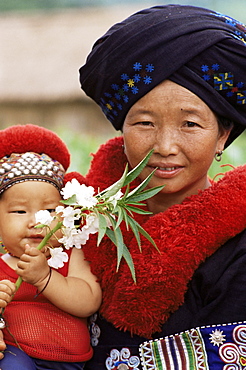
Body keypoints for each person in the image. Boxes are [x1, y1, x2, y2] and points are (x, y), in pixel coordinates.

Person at [78, 4, 246, 369]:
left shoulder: (239, 252)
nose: (165, 146)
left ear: (223, 135)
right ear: (120, 129)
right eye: (144, 123)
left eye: (189, 124)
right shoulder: (76, 221)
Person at [0, 124, 102, 370]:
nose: (36, 221)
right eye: (19, 211)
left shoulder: (72, 253)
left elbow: (89, 301)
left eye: (49, 210)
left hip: (71, 362)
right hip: (17, 356)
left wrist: (44, 277)